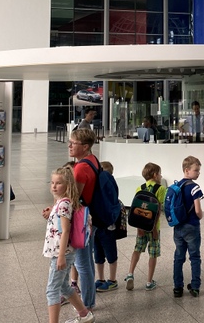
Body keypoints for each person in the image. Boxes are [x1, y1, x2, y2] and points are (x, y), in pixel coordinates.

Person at [41, 166, 95, 323]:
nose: (54, 186)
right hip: (64, 252)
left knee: (52, 290)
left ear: (68, 185)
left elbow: (65, 231)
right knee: (64, 286)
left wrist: (61, 257)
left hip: (61, 252)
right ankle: (85, 314)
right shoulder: (62, 202)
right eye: (52, 182)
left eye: (58, 183)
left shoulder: (64, 204)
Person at [67, 128, 99, 311]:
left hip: (81, 220)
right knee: (87, 260)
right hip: (91, 217)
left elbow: (74, 199)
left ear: (85, 147)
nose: (70, 146)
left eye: (74, 143)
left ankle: (86, 304)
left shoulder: (80, 169)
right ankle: (90, 299)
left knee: (81, 263)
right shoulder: (93, 160)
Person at [124, 162, 167, 291]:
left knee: (137, 250)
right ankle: (149, 282)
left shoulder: (140, 188)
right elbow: (157, 211)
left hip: (140, 227)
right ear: (155, 175)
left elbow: (137, 210)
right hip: (153, 227)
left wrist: (139, 229)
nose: (161, 175)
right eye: (159, 173)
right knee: (153, 254)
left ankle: (130, 274)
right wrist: (154, 229)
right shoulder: (161, 189)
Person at [172, 156, 204, 298]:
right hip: (192, 226)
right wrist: (200, 216)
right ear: (187, 170)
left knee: (179, 257)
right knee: (195, 257)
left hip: (178, 227)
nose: (198, 173)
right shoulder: (194, 187)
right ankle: (195, 287)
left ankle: (178, 287)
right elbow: (198, 210)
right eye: (196, 170)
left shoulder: (176, 186)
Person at [95, 160, 120, 293]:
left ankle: (112, 280)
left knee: (110, 254)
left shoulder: (108, 183)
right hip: (98, 225)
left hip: (106, 225)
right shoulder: (102, 184)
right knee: (98, 254)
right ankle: (101, 279)